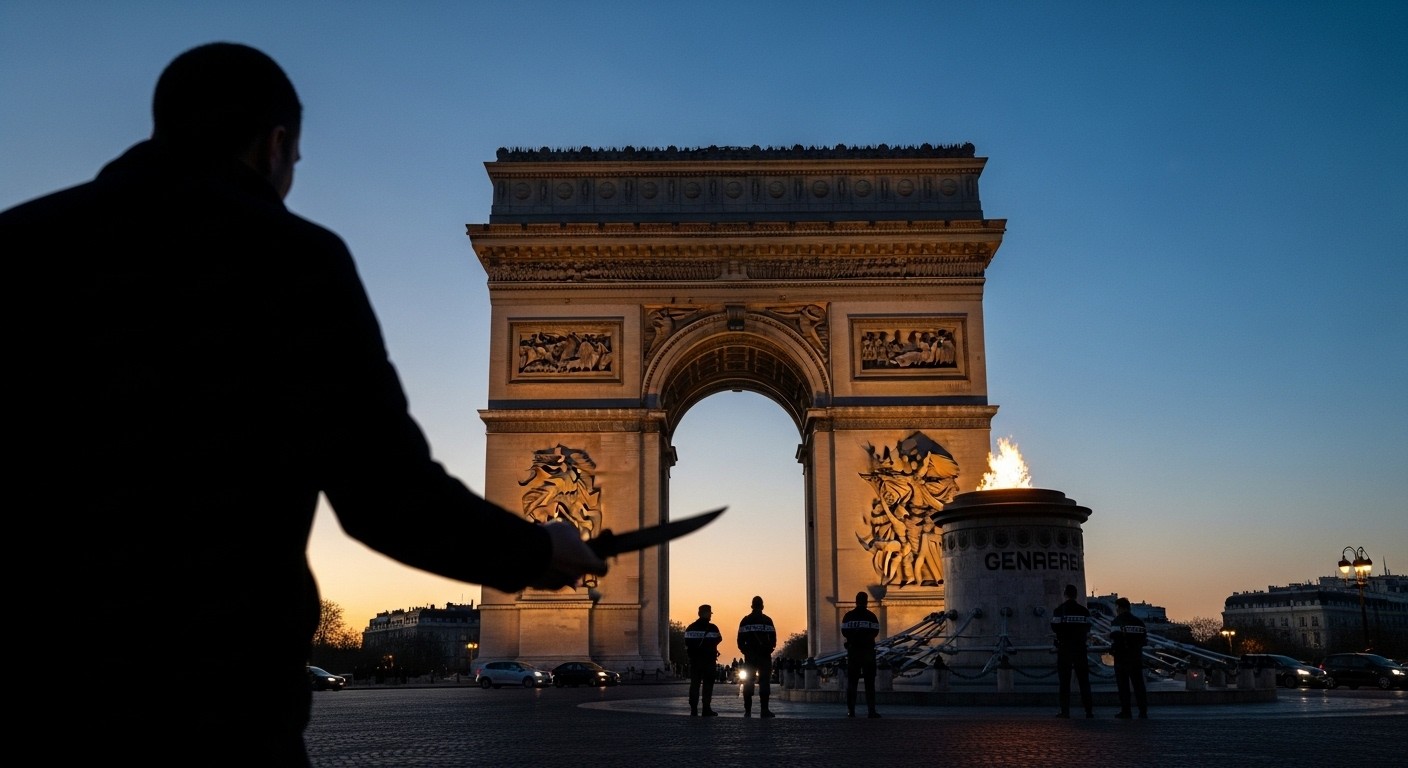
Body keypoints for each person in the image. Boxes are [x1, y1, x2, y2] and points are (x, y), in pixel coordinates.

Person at [0, 42, 608, 765]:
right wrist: (538, 549)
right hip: (215, 699)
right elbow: (384, 493)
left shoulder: (16, 247)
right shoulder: (290, 260)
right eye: (294, 160)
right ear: (276, 142)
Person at [1051, 583, 1094, 718]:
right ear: (1076, 595)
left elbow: (1054, 627)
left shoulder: (1059, 610)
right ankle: (1088, 710)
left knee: (1064, 681)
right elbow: (1088, 627)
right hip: (1080, 648)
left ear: (1065, 594)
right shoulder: (1084, 611)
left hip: (1065, 648)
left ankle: (1065, 711)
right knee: (1084, 681)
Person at [841, 590, 882, 718]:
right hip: (868, 652)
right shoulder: (871, 616)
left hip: (854, 652)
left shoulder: (848, 616)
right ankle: (871, 710)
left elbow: (844, 631)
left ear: (856, 601)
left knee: (852, 683)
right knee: (870, 683)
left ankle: (851, 710)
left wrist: (854, 640)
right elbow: (875, 632)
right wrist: (865, 640)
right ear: (866, 602)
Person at [737, 595, 778, 717]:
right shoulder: (767, 620)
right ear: (763, 606)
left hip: (750, 656)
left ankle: (748, 711)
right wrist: (769, 649)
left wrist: (746, 651)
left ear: (752, 606)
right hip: (764, 656)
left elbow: (740, 640)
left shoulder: (745, 621)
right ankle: (764, 710)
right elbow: (773, 638)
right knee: (764, 682)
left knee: (748, 682)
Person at [1109, 597, 1149, 719]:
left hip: (1121, 658)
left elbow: (1115, 638)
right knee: (1139, 685)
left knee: (1123, 686)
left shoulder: (1116, 622)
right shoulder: (1139, 622)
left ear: (1120, 608)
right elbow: (1144, 640)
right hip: (1136, 657)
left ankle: (1126, 711)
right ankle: (1143, 711)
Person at [684, 604, 723, 716]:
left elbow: (687, 642)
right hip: (709, 660)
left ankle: (693, 709)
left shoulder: (690, 628)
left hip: (695, 660)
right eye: (710, 614)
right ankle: (706, 708)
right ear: (706, 614)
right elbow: (719, 639)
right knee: (708, 685)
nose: (711, 616)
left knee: (694, 684)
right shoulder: (713, 628)